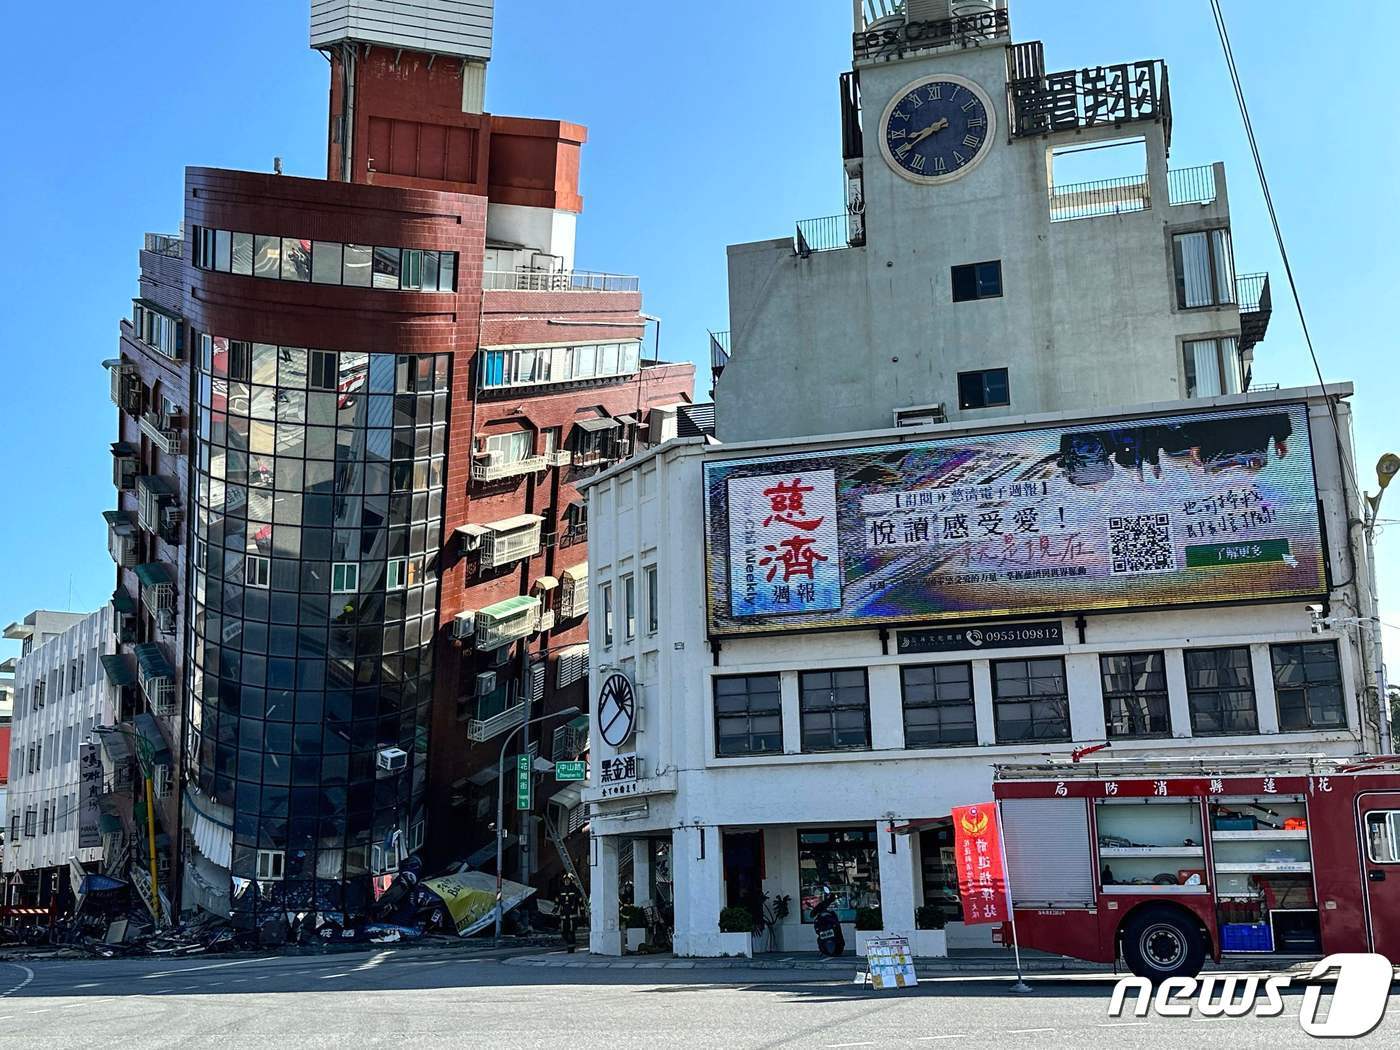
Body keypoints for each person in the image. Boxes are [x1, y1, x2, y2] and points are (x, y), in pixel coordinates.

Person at [556, 881, 584, 953]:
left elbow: (580, 902)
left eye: (568, 880)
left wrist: (582, 913)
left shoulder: (575, 890)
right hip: (564, 915)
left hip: (572, 915)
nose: (566, 882)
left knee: (571, 931)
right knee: (563, 931)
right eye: (565, 880)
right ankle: (569, 943)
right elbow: (557, 900)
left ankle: (571, 947)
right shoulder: (561, 889)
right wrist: (555, 909)